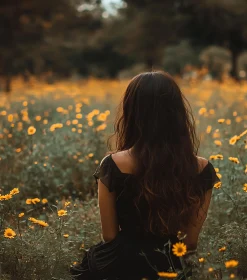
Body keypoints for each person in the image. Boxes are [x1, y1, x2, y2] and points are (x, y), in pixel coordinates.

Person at [70, 71, 220, 280]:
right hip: (171, 265)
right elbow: (190, 243)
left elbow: (110, 236)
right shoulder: (203, 169)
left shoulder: (112, 165)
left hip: (122, 265)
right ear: (177, 113)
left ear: (131, 112)